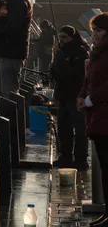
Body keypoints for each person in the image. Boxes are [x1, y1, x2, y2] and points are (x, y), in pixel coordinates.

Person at [77, 12, 108, 227]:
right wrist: (81, 96)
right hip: (97, 118)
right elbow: (88, 79)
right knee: (105, 167)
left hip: (104, 117)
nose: (94, 35)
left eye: (98, 30)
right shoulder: (97, 53)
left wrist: (89, 100)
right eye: (93, 30)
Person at [50, 25, 89, 169]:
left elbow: (80, 75)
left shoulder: (80, 51)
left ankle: (80, 160)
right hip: (63, 96)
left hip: (76, 95)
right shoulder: (60, 52)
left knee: (80, 129)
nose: (61, 40)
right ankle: (65, 157)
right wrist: (52, 72)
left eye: (64, 37)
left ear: (72, 37)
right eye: (59, 37)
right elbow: (55, 69)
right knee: (63, 128)